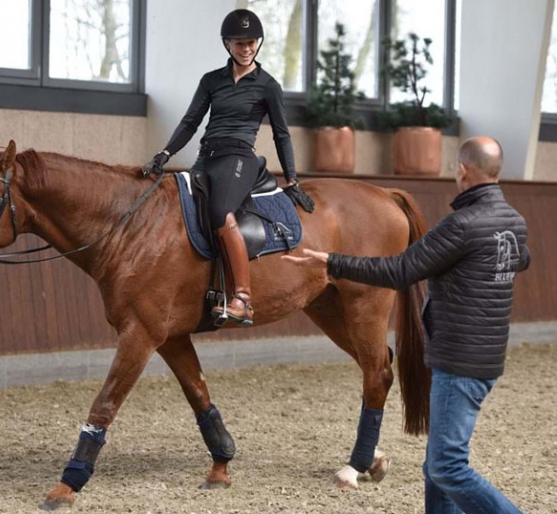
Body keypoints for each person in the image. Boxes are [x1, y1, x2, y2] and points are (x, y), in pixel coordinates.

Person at [282, 136, 530, 514]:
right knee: (436, 466)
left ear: (462, 171)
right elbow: (521, 260)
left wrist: (332, 262)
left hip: (458, 359)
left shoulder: (461, 225)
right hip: (486, 358)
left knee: (447, 467)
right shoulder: (513, 221)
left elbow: (399, 270)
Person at [142, 8, 314, 327]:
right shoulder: (211, 81)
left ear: (257, 44)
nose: (246, 48)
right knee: (185, 209)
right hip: (206, 156)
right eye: (239, 43)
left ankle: (243, 298)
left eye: (251, 42)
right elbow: (191, 121)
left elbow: (281, 134)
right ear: (227, 44)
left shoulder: (268, 86)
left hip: (239, 159)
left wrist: (292, 179)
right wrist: (165, 153)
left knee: (221, 212)